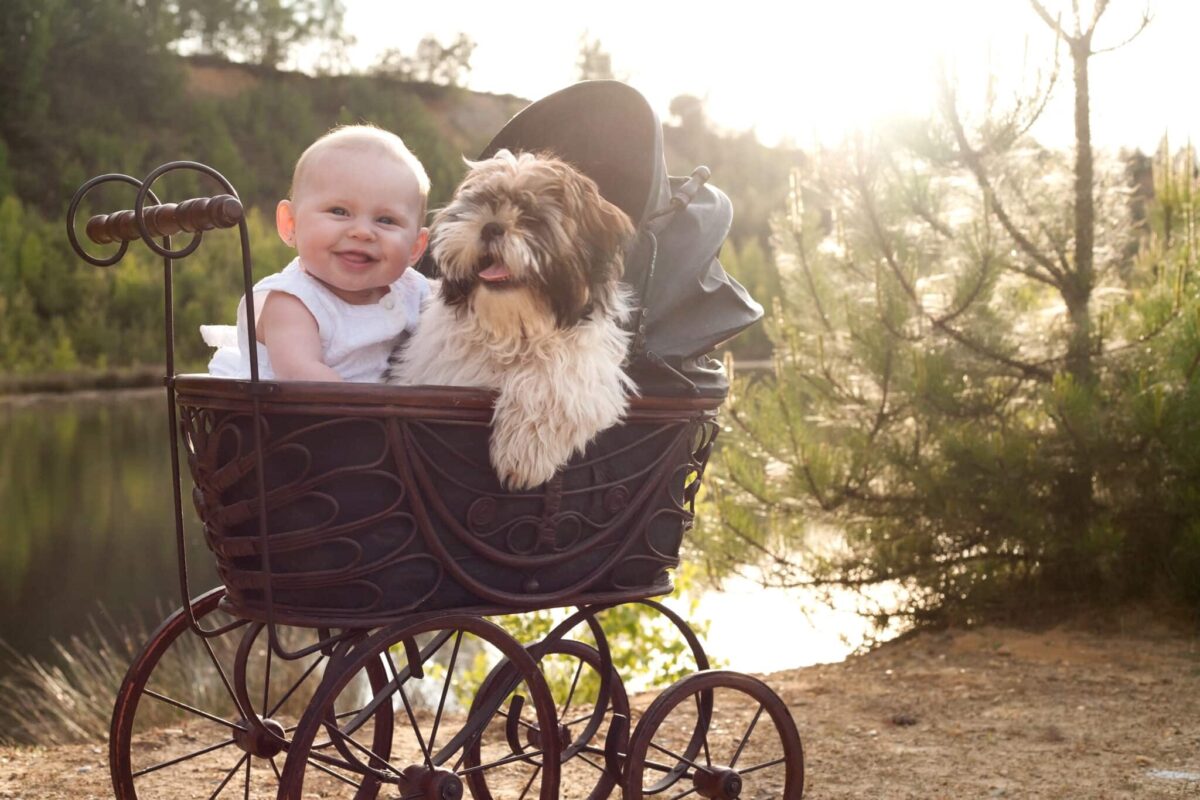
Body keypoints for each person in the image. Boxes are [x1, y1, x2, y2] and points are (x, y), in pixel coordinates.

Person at [202, 125, 430, 382]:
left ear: (415, 247)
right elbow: (305, 380)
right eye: (339, 211)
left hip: (387, 418)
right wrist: (387, 414)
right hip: (300, 419)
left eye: (386, 220)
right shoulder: (293, 303)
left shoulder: (414, 290)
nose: (362, 232)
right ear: (291, 224)